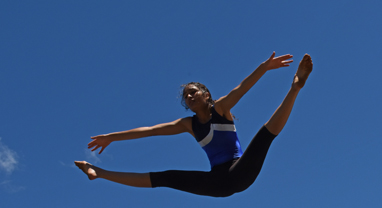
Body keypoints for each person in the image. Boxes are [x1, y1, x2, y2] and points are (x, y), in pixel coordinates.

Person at [75, 52, 313, 198]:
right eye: (186, 96)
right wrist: (112, 137)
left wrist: (264, 67)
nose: (189, 97)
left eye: (193, 92)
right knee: (165, 177)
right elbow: (149, 131)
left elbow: (241, 88)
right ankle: (99, 173)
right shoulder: (188, 124)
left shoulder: (220, 109)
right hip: (216, 183)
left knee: (263, 137)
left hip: (240, 170)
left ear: (206, 94)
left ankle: (295, 88)